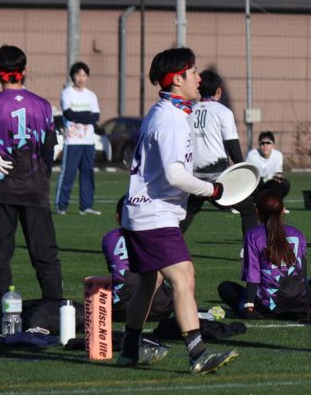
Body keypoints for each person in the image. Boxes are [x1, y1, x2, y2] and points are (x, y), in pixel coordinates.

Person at [118, 46, 238, 374]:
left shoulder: (165, 112)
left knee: (150, 283)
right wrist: (213, 190)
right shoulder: (171, 119)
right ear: (177, 80)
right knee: (184, 276)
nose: (199, 79)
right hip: (153, 215)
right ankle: (198, 354)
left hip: (143, 212)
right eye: (193, 72)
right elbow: (174, 175)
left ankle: (129, 350)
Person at [0, 45, 63, 332]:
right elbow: (51, 147)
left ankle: (5, 319)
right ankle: (55, 314)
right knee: (45, 255)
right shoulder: (42, 105)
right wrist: (42, 176)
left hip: (2, 190)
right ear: (24, 70)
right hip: (35, 189)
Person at [180, 70, 257, 237]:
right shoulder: (223, 112)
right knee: (248, 210)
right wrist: (242, 173)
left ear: (199, 89)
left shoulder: (187, 111)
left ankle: (169, 247)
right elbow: (232, 146)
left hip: (193, 176)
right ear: (219, 90)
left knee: (190, 210)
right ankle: (249, 248)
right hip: (218, 177)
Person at [217, 191, 311, 319]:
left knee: (225, 287)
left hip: (268, 306)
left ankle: (263, 310)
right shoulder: (297, 234)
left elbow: (253, 273)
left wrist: (249, 305)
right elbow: (302, 273)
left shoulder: (253, 235)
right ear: (283, 210)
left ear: (257, 211)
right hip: (298, 304)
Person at [102, 197, 173, 322]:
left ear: (118, 217)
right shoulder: (157, 234)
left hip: (121, 309)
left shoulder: (110, 237)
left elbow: (115, 270)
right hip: (160, 309)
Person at [55, 61, 101, 215]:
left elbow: (95, 117)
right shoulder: (67, 93)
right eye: (78, 75)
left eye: (84, 75)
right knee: (68, 173)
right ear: (72, 76)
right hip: (72, 141)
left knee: (87, 173)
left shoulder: (91, 95)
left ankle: (86, 206)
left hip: (89, 141)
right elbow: (69, 114)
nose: (81, 78)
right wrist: (85, 116)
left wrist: (78, 116)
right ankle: (61, 206)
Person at [244, 131, 291, 202]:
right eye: (262, 143)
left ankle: (276, 202)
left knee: (285, 184)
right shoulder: (252, 155)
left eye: (268, 143)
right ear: (259, 145)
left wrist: (278, 177)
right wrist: (267, 178)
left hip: (269, 184)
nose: (265, 145)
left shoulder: (278, 155)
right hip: (255, 185)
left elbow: (278, 175)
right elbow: (248, 176)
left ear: (273, 145)